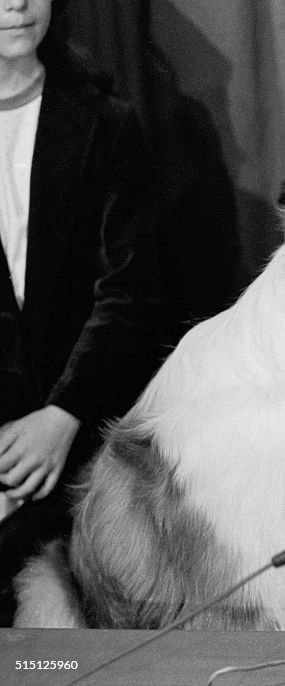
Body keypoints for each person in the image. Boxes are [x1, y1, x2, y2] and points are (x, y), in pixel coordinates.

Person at [0, 0, 166, 625]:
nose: (15, 4)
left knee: (60, 647)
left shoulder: (105, 123)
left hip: (84, 454)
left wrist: (62, 415)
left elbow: (133, 290)